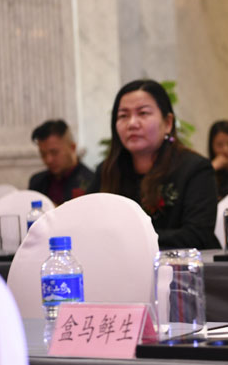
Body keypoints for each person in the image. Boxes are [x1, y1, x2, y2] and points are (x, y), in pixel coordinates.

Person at [87, 79, 219, 249]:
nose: (132, 123)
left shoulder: (195, 169)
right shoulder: (107, 170)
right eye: (123, 116)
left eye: (143, 113)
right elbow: (87, 224)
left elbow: (198, 235)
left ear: (168, 123)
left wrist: (130, 239)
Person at [28, 119, 94, 205]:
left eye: (54, 152)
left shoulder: (90, 181)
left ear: (72, 147)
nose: (48, 160)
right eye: (43, 154)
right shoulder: (37, 182)